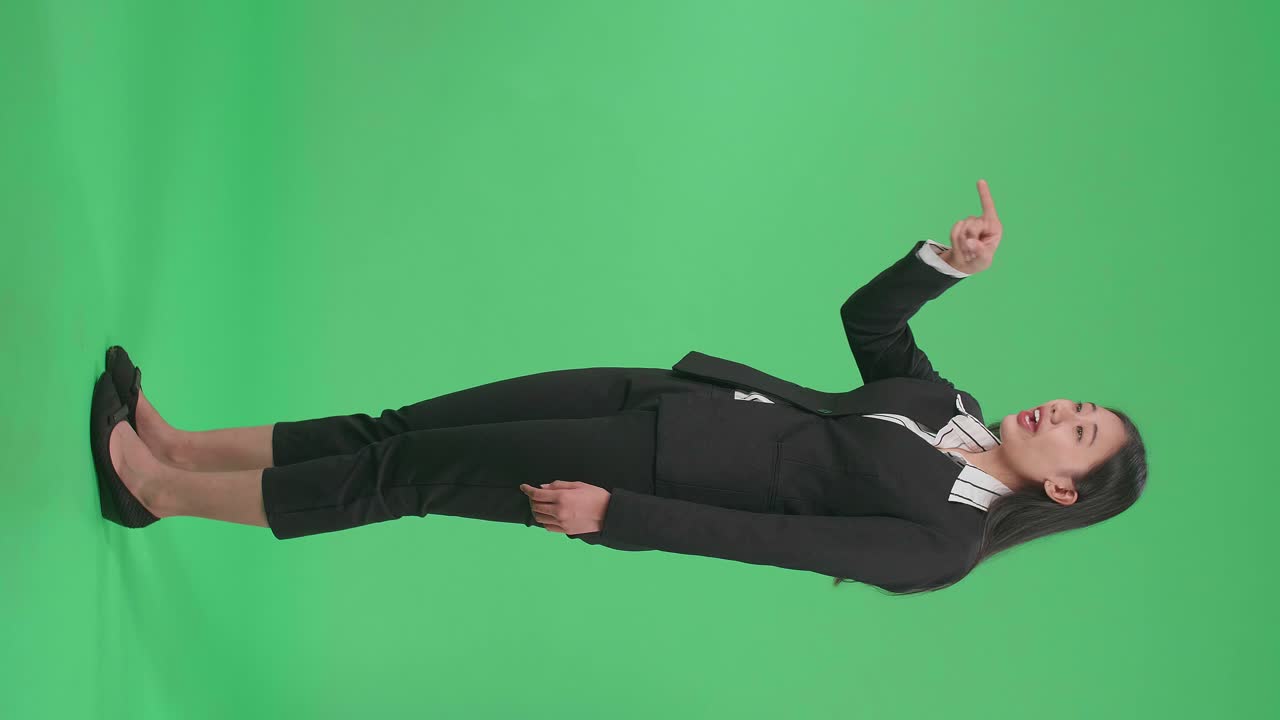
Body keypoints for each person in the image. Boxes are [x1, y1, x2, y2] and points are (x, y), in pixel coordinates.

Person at [89, 179, 1148, 595]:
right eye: (1073, 404)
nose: (1058, 411)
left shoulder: (942, 546)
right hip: (662, 395)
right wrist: (947, 267)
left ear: (1064, 490)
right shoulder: (945, 406)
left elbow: (774, 544)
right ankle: (180, 446)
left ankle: (160, 493)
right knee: (400, 427)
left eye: (1077, 434)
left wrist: (619, 522)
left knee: (404, 476)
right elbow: (867, 324)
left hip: (643, 469)